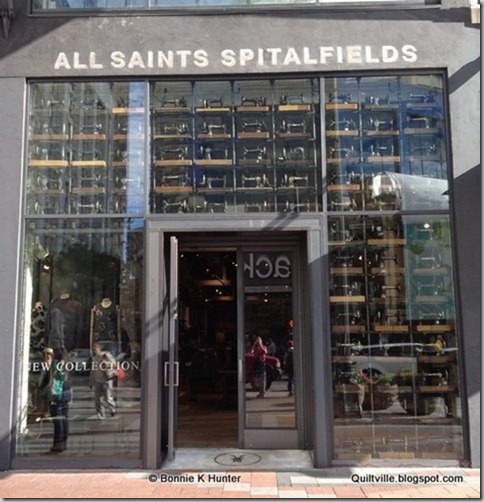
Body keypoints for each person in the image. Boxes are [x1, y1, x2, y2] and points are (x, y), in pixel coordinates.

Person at [39, 347, 72, 453]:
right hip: (66, 392)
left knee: (57, 419)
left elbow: (46, 381)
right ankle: (63, 442)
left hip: (57, 393)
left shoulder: (55, 365)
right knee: (64, 418)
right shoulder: (66, 364)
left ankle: (58, 443)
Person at [90, 342, 117, 419]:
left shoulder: (105, 355)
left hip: (106, 379)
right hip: (98, 380)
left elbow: (114, 363)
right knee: (98, 399)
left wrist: (106, 363)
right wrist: (91, 381)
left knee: (108, 397)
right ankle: (101, 413)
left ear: (99, 349)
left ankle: (112, 408)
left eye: (95, 349)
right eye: (93, 349)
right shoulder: (94, 358)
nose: (94, 351)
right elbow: (92, 371)